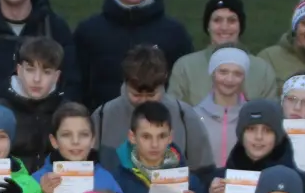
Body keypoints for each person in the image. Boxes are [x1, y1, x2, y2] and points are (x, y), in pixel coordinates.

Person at [73, 0, 193, 109]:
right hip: (103, 127)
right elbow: (74, 87)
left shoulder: (175, 34)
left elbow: (185, 89)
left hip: (158, 129)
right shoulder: (89, 32)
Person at [91, 45, 215, 173]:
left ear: (164, 80)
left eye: (151, 95)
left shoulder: (185, 116)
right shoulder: (103, 116)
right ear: (125, 82)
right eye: (136, 95)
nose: (144, 101)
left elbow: (204, 171)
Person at [202, 100, 297, 193]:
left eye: (267, 130)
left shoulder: (295, 181)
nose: (258, 137)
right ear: (241, 133)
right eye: (252, 129)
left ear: (277, 136)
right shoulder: (219, 180)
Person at [169, 0, 280, 106]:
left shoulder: (262, 70)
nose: (224, 27)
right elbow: (173, 112)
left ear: (240, 26)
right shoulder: (185, 67)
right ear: (208, 26)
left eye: (231, 21)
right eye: (217, 20)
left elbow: (270, 115)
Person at [0, 36, 67, 172]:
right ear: (19, 70)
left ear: (56, 76)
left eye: (46, 72)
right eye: (30, 70)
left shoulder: (66, 113)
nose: (37, 79)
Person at [195, 47, 252, 168]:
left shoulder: (251, 116)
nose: (229, 79)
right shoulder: (193, 115)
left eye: (237, 74)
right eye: (223, 72)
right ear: (213, 73)